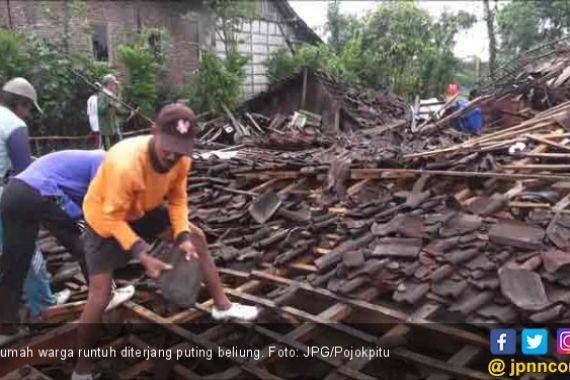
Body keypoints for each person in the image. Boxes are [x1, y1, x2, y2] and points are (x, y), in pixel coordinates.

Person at [73, 103, 258, 380]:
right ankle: (81, 371)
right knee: (100, 295)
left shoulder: (181, 158)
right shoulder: (124, 163)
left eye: (180, 149)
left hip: (142, 208)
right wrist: (142, 253)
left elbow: (178, 199)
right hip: (105, 216)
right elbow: (113, 219)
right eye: (167, 147)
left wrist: (182, 236)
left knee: (197, 238)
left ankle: (223, 306)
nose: (172, 155)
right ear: (153, 132)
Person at [0, 150, 136, 341]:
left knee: (15, 263)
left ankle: (5, 327)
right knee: (86, 242)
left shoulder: (86, 165)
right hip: (41, 191)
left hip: (13, 194)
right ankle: (108, 293)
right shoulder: (107, 161)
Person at [0, 78, 69, 334]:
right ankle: (43, 305)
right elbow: (25, 174)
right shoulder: (15, 125)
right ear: (21, 104)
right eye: (29, 109)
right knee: (26, 252)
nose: (28, 114)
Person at [98, 74, 128, 150]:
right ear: (109, 84)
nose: (115, 86)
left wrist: (128, 112)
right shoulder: (102, 95)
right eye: (114, 84)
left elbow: (118, 109)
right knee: (108, 150)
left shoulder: (113, 95)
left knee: (119, 147)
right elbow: (100, 110)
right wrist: (109, 105)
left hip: (114, 126)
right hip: (106, 129)